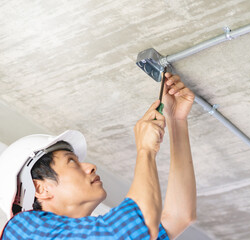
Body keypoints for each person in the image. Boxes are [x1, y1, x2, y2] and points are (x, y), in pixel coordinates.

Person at [0, 73, 196, 240]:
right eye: (71, 162)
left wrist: (176, 120)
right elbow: (134, 228)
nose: (90, 166)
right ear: (39, 188)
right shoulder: (21, 231)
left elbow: (177, 217)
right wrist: (145, 150)